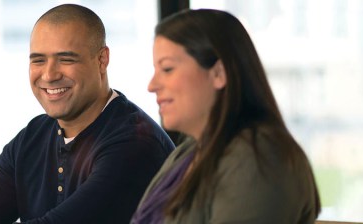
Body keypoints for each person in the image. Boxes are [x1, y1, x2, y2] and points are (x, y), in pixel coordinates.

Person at [0, 4, 175, 224]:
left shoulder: (134, 142)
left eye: (65, 59)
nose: (49, 75)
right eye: (38, 60)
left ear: (102, 59)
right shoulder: (32, 136)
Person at [132, 9, 321, 224]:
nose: (152, 86)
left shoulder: (258, 156)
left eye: (167, 69)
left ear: (218, 73)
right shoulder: (188, 152)